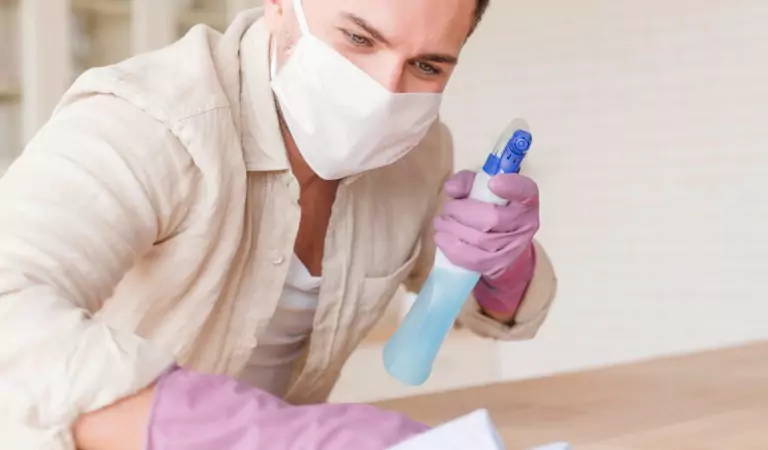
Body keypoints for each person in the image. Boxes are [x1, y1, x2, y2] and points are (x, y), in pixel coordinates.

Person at [0, 0, 557, 448]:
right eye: (359, 39)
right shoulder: (150, 120)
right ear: (280, 6)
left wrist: (498, 262)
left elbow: (480, 309)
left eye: (427, 65)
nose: (384, 96)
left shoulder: (418, 152)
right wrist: (273, 434)